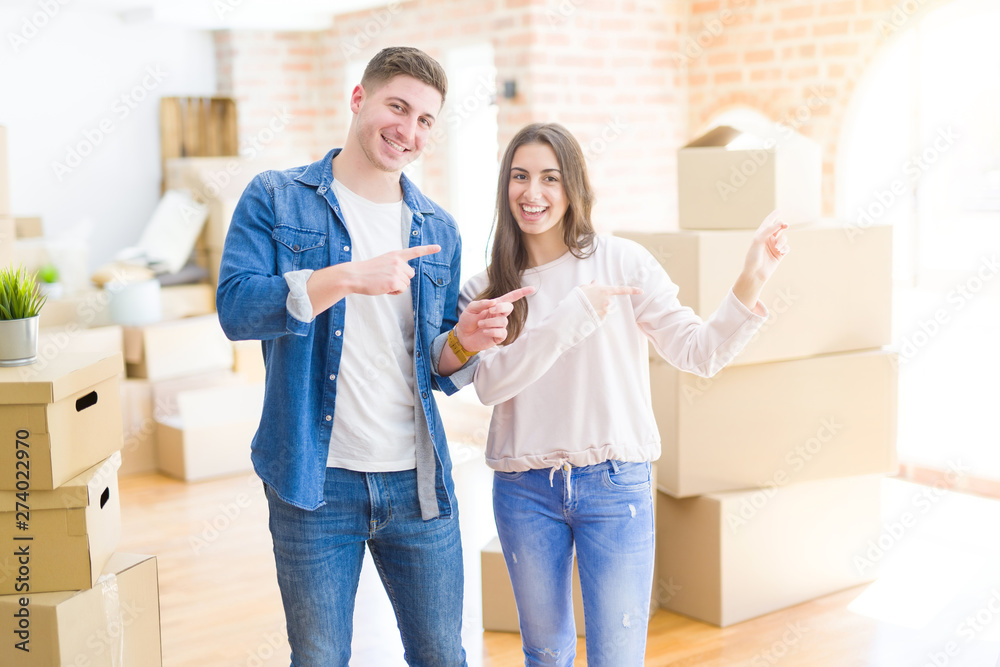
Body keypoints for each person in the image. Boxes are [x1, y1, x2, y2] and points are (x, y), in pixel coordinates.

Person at [216, 46, 531, 667]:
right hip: (313, 480)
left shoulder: (436, 227)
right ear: (358, 99)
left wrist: (466, 338)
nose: (408, 131)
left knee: (443, 654)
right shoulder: (277, 198)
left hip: (417, 483)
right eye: (397, 107)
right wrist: (343, 278)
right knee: (320, 656)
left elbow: (437, 366)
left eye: (424, 121)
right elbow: (235, 309)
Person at [461, 122, 790, 666]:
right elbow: (492, 384)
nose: (533, 192)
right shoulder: (486, 287)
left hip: (614, 485)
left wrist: (753, 275)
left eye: (550, 177)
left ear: (574, 188)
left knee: (616, 657)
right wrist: (572, 317)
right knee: (546, 653)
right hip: (523, 489)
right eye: (519, 177)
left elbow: (698, 352)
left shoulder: (622, 261)